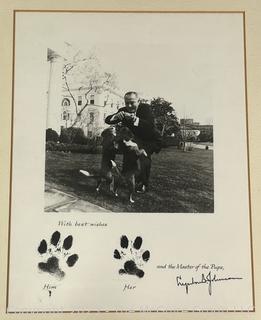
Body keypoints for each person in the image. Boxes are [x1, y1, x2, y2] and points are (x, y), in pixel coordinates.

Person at [105, 91, 162, 193]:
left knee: (144, 157)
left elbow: (150, 126)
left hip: (150, 140)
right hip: (134, 140)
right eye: (127, 103)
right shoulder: (123, 110)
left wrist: (135, 119)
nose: (129, 106)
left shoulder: (145, 108)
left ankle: (143, 184)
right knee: (117, 150)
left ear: (138, 101)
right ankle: (113, 175)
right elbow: (108, 120)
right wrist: (116, 116)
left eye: (132, 102)